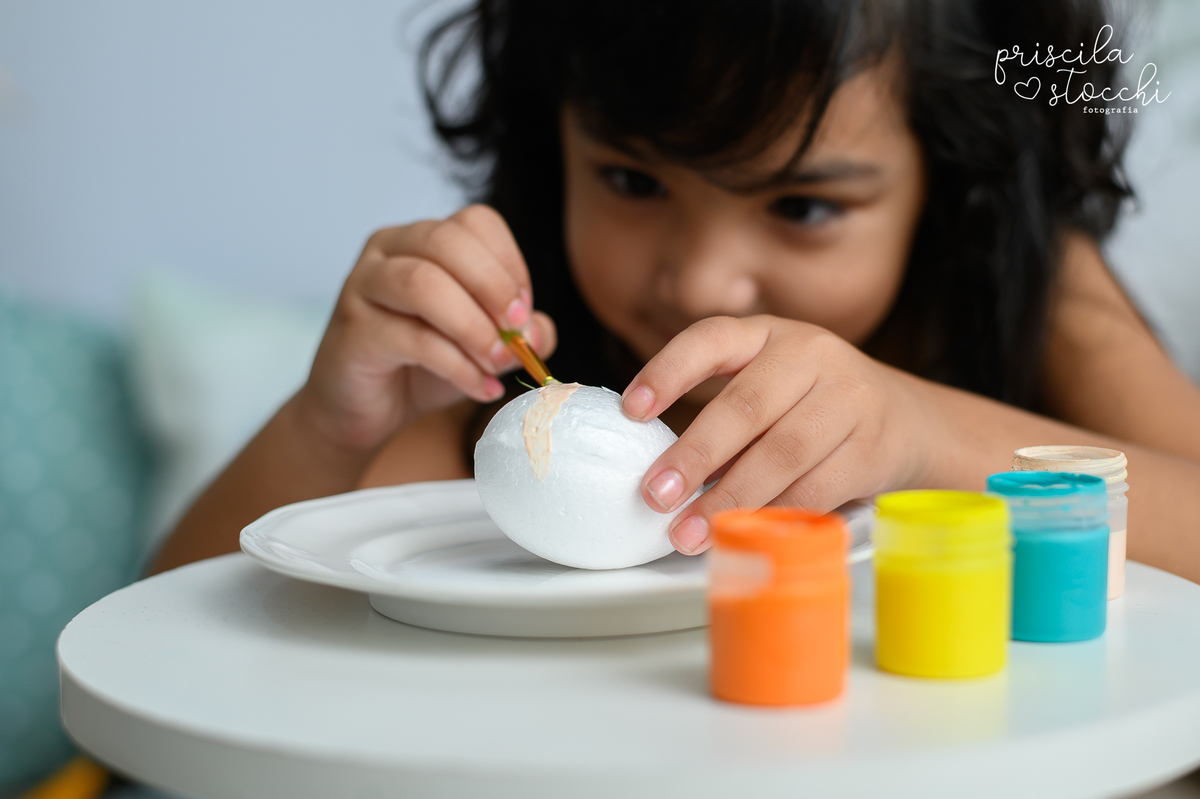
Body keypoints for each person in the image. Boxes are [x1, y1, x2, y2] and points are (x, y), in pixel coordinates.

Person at [150, 0, 1200, 584]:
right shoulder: (526, 398)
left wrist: (920, 430)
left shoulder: (1036, 295)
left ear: (949, 183)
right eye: (632, 181)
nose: (699, 279)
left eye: (802, 207)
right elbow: (168, 638)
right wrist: (330, 420)